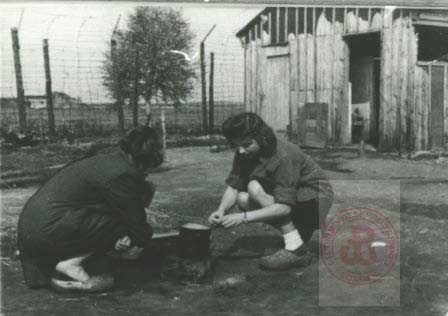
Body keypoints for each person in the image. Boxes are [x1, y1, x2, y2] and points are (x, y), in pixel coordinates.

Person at [17, 126, 164, 292]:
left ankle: (69, 261)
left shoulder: (111, 157)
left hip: (34, 227)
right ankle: (71, 264)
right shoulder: (120, 173)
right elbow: (135, 220)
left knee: (127, 214)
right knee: (126, 226)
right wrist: (138, 240)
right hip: (48, 229)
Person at [208, 113, 333, 271]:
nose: (240, 151)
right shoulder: (244, 152)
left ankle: (297, 249)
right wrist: (221, 210)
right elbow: (234, 185)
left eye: (246, 144)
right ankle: (298, 234)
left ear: (262, 138)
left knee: (254, 187)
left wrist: (242, 217)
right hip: (296, 198)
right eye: (236, 145)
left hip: (316, 202)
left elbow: (284, 207)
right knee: (242, 198)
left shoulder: (283, 155)